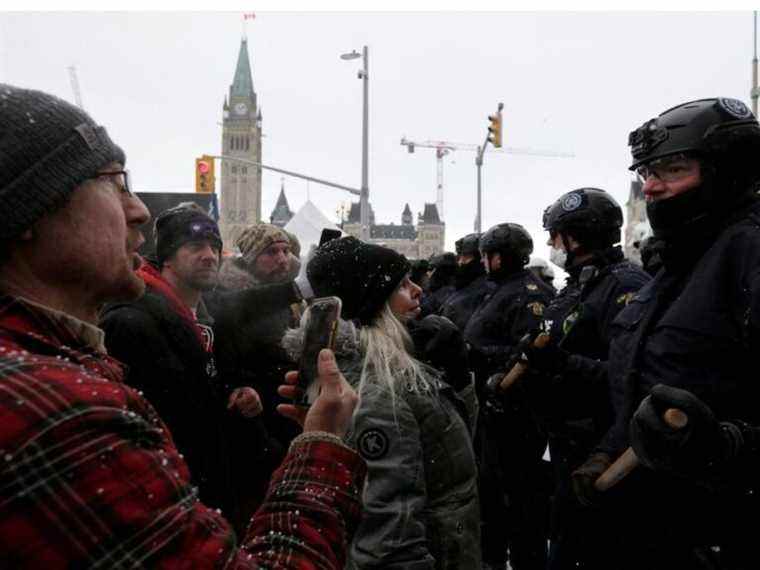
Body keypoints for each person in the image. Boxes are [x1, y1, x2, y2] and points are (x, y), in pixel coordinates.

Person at [0, 83, 365, 568]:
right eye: (114, 183)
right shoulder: (56, 413)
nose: (138, 211)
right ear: (27, 209)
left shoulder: (60, 360)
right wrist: (321, 444)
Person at [579, 97, 760, 569]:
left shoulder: (748, 254)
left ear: (727, 171)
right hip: (649, 531)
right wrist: (606, 452)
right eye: (646, 173)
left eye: (673, 170)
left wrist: (725, 447)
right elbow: (642, 382)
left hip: (725, 533)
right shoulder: (674, 267)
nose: (652, 187)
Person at [284, 236, 481, 569]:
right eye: (402, 285)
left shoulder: (397, 370)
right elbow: (389, 540)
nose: (418, 290)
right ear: (372, 303)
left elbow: (447, 455)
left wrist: (459, 381)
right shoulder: (377, 393)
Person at [517, 188, 649, 569]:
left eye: (555, 235)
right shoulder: (578, 285)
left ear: (575, 237)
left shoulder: (625, 285)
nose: (550, 244)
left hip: (598, 446)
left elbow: (628, 376)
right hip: (562, 441)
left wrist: (562, 362)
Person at [463, 222, 554, 570]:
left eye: (488, 256)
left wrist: (481, 354)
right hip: (493, 413)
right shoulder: (502, 289)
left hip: (515, 418)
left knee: (519, 505)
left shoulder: (528, 293)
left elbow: (530, 354)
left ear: (498, 257)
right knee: (494, 500)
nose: (484, 262)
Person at [440, 232, 493, 331]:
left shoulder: (489, 291)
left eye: (466, 256)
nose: (460, 262)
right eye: (460, 256)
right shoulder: (462, 286)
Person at [419, 252, 457, 317]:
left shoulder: (445, 292)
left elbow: (423, 310)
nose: (427, 274)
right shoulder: (438, 290)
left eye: (430, 269)